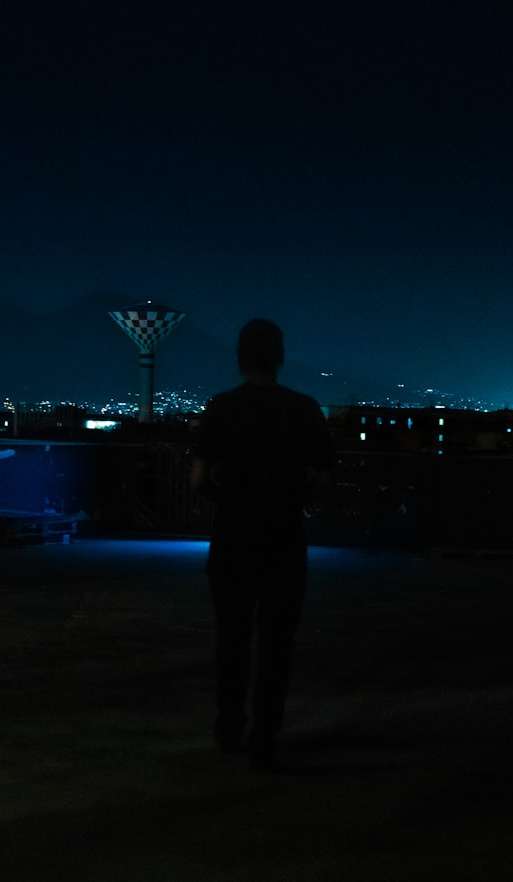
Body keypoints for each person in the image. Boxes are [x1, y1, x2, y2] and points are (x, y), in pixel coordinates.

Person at [190, 318, 335, 771]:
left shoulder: (220, 409)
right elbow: (325, 481)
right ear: (280, 358)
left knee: (232, 638)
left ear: (240, 356)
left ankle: (229, 725)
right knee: (276, 643)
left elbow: (197, 479)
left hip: (232, 541)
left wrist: (225, 497)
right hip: (284, 543)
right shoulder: (305, 409)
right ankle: (265, 736)